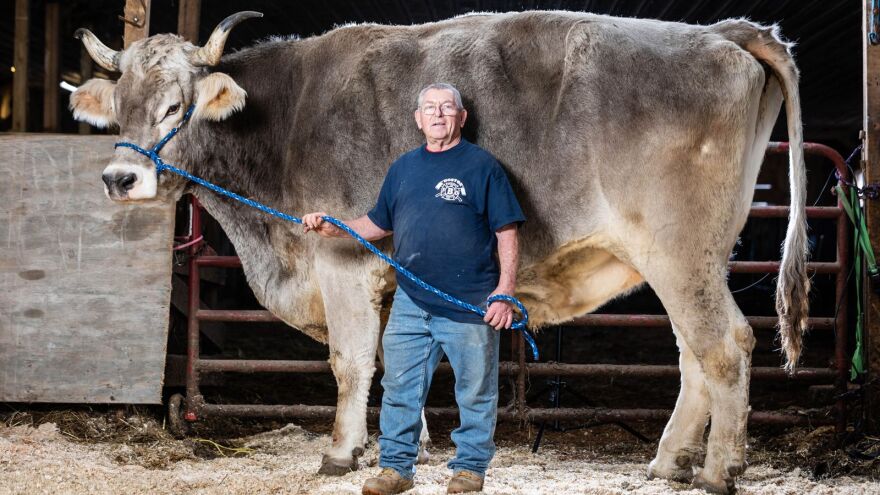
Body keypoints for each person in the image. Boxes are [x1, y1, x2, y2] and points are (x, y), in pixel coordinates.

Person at [302, 82, 525, 495]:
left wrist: (504, 291)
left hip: (470, 302)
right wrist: (336, 227)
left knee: (475, 391)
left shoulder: (482, 167)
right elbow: (378, 223)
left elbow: (506, 230)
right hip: (411, 301)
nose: (438, 115)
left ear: (462, 117)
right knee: (399, 387)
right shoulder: (404, 168)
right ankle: (396, 469)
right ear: (418, 119)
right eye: (429, 108)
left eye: (446, 107)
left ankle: (469, 470)